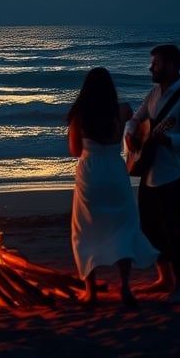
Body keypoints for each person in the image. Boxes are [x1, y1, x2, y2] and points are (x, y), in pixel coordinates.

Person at [67, 67, 158, 309]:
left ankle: (90, 291)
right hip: (115, 171)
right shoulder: (122, 111)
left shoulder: (80, 114)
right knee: (123, 226)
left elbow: (75, 150)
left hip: (91, 172)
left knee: (84, 230)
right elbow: (139, 126)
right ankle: (125, 286)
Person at [123, 43, 180, 304]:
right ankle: (164, 278)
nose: (150, 68)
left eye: (155, 63)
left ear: (172, 65)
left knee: (173, 230)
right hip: (150, 173)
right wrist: (133, 136)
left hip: (173, 175)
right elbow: (135, 119)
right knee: (150, 228)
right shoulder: (154, 93)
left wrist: (163, 138)